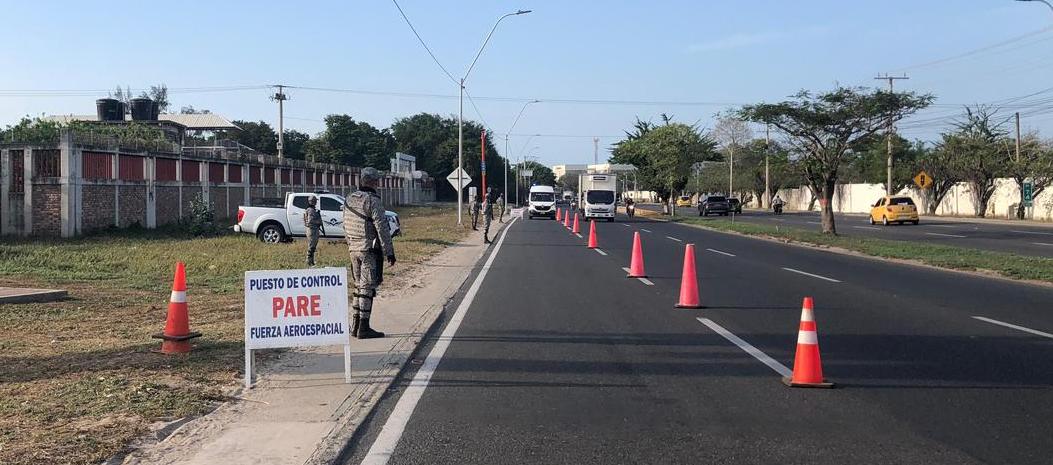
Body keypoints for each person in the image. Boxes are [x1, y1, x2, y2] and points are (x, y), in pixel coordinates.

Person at [343, 167, 396, 339]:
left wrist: (351, 243)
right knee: (367, 288)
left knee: (358, 287)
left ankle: (355, 325)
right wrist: (389, 252)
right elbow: (382, 228)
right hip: (368, 250)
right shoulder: (373, 201)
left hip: (353, 249)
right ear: (374, 182)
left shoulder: (349, 199)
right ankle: (364, 328)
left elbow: (345, 225)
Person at [303, 196, 324, 266]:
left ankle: (311, 261)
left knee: (313, 246)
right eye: (315, 201)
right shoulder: (310, 210)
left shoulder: (312, 210)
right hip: (312, 230)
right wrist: (319, 221)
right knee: (311, 246)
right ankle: (308, 261)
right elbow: (310, 221)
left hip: (314, 230)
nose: (316, 202)